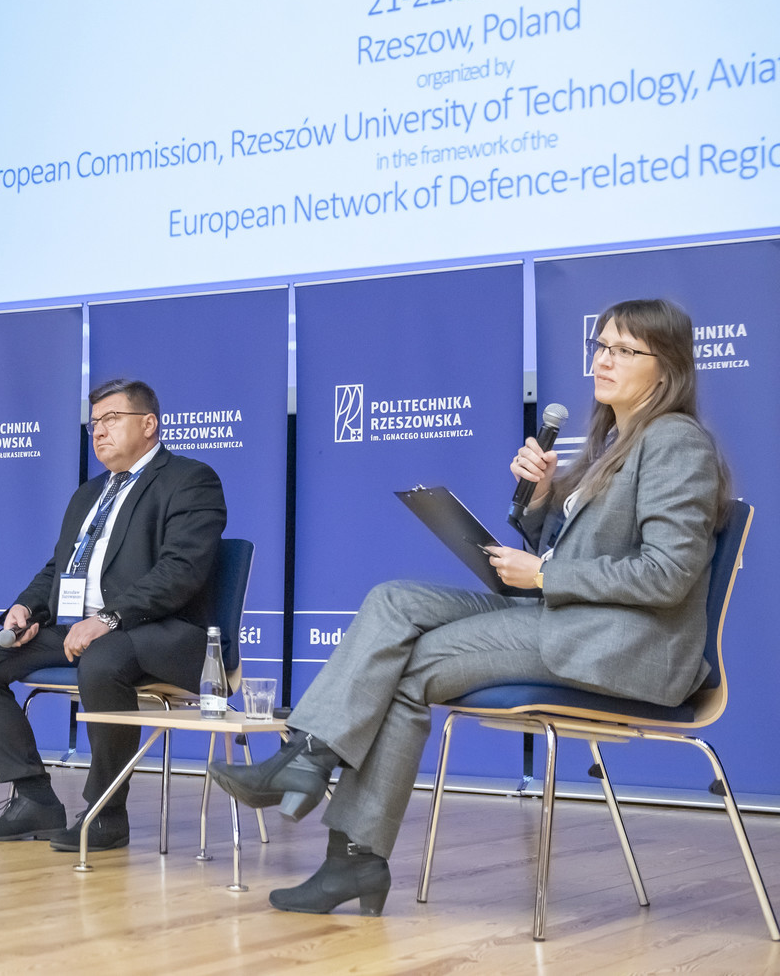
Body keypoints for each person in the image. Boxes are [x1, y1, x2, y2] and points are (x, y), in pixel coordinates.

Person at [211, 298, 728, 916]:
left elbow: (667, 574)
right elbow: (583, 549)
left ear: (666, 367)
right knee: (393, 600)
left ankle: (341, 833)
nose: (603, 360)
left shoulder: (675, 442)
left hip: (623, 644)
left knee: (411, 665)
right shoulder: (614, 443)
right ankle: (313, 771)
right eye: (600, 346)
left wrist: (545, 573)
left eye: (624, 350)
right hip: (572, 620)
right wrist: (541, 501)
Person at [0, 378, 227, 852]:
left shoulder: (190, 479)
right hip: (80, 628)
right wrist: (25, 608)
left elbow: (181, 571)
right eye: (94, 423)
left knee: (102, 659)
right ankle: (34, 798)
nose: (99, 431)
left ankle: (106, 813)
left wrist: (110, 618)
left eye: (111, 419)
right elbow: (58, 568)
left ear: (148, 424)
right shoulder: (88, 494)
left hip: (160, 631)